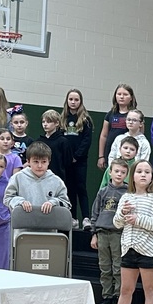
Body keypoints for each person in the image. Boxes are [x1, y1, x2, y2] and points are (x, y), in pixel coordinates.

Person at [102, 160, 153, 304]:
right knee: (125, 289)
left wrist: (138, 219)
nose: (143, 174)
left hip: (149, 250)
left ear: (152, 176)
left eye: (147, 171)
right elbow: (117, 223)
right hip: (129, 249)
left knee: (149, 289)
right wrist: (122, 214)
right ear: (133, 176)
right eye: (139, 171)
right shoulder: (126, 197)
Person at [91, 158, 130, 304]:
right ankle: (106, 296)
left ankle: (117, 297)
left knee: (118, 267)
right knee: (104, 267)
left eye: (123, 172)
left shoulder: (128, 192)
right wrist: (94, 234)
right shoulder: (103, 191)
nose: (119, 174)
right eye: (116, 171)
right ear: (110, 172)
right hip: (102, 233)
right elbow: (95, 212)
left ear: (126, 174)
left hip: (117, 233)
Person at [4, 141, 71, 214]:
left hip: (49, 223)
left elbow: (66, 203)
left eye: (44, 162)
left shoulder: (57, 181)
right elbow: (7, 198)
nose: (40, 166)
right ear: (28, 161)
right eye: (36, 161)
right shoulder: (17, 178)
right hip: (24, 223)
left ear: (49, 162)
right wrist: (20, 202)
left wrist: (53, 203)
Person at [62, 88, 93, 230]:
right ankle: (73, 218)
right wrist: (68, 157)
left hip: (80, 161)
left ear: (80, 102)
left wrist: (77, 156)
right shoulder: (62, 119)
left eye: (76, 100)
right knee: (70, 189)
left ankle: (86, 218)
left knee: (81, 187)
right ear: (67, 101)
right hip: (67, 161)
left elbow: (87, 141)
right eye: (71, 99)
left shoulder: (85, 120)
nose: (73, 102)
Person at [97, 83, 136, 169]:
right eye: (119, 94)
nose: (121, 97)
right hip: (111, 152)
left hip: (127, 154)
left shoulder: (135, 115)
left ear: (131, 98)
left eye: (125, 94)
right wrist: (101, 156)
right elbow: (104, 135)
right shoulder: (110, 114)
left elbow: (139, 135)